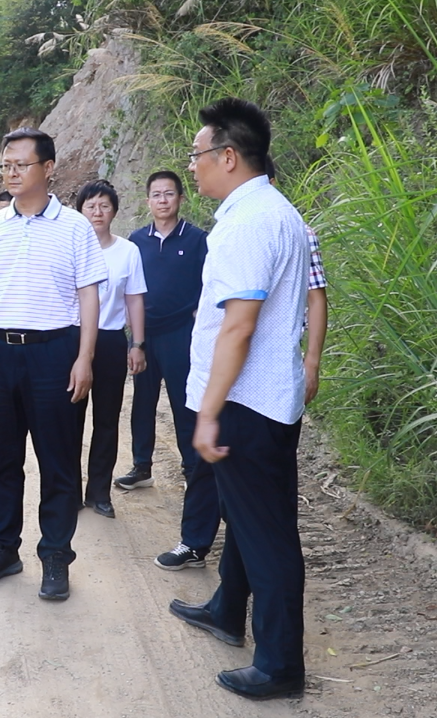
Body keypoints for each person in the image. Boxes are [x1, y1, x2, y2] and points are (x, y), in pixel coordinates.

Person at [168, 97, 309, 701]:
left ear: (229, 156)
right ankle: (228, 608)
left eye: (198, 154)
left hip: (245, 405)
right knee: (248, 518)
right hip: (265, 399)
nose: (192, 166)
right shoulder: (271, 213)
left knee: (267, 533)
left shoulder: (250, 224)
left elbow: (238, 326)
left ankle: (279, 665)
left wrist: (209, 410)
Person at [0, 127, 107, 601]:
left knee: (59, 460)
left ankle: (56, 555)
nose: (12, 171)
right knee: (2, 457)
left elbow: (89, 295)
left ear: (48, 169)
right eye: (7, 164)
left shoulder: (75, 228)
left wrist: (84, 358)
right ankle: (3, 548)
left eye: (22, 164)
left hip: (55, 353)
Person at [116, 171, 208, 497]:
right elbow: (128, 289)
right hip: (144, 334)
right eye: (157, 195)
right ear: (148, 202)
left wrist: (198, 315)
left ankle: (193, 469)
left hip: (181, 333)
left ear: (181, 199)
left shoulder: (197, 239)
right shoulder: (136, 240)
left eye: (169, 194)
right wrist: (133, 339)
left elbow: (210, 284)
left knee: (185, 404)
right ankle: (142, 466)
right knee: (142, 402)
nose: (163, 200)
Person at [74, 180, 147, 518]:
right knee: (68, 418)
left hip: (110, 339)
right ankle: (69, 490)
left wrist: (137, 343)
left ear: (114, 211)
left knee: (106, 419)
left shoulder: (127, 251)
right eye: (91, 206)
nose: (97, 212)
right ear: (81, 210)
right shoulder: (69, 247)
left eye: (104, 206)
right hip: (71, 340)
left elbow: (134, 299)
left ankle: (99, 493)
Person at [265, 155, 328, 404]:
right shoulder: (230, 232)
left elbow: (316, 299)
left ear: (272, 184)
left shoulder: (300, 232)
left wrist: (311, 363)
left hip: (282, 353)